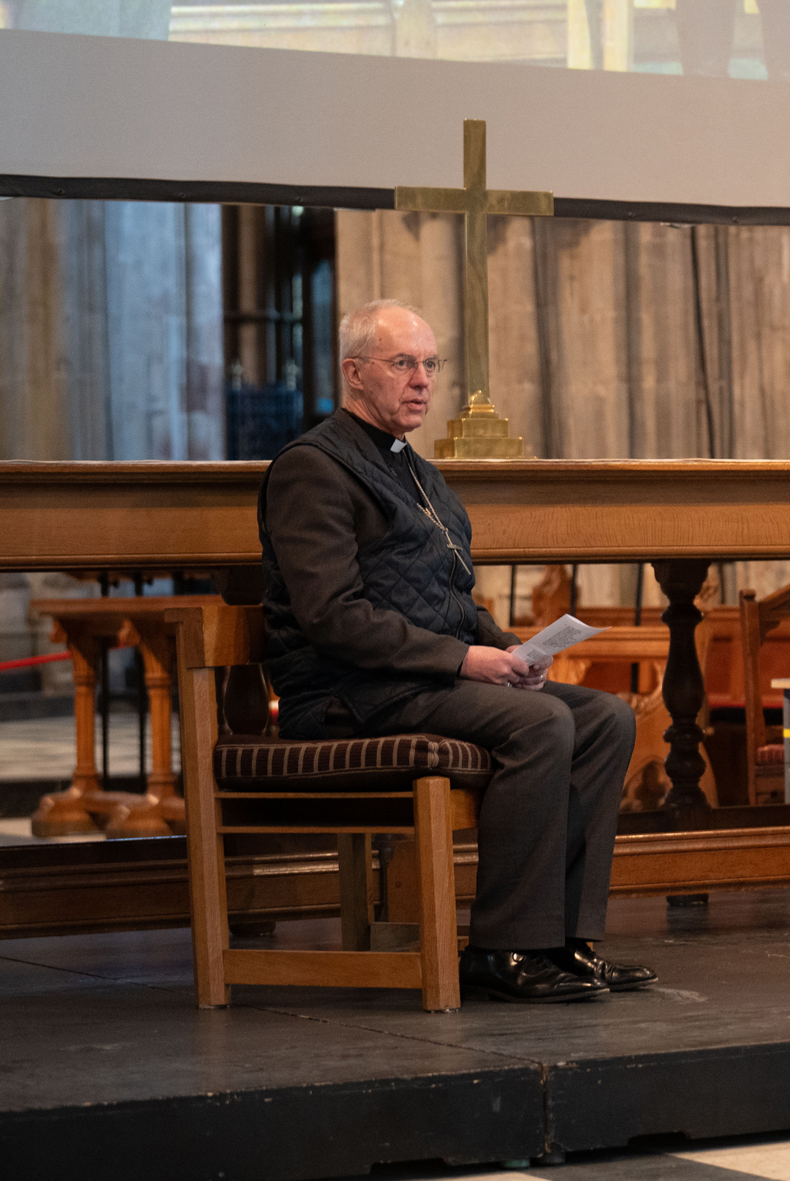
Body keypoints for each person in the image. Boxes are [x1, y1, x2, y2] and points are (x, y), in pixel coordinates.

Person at [257, 298, 655, 1003]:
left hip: (418, 681)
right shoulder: (312, 468)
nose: (422, 380)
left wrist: (510, 648)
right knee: (541, 724)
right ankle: (504, 947)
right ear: (354, 372)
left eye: (430, 363)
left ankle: (567, 940)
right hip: (347, 695)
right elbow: (333, 617)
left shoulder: (417, 470)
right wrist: (467, 661)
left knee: (604, 717)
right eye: (403, 363)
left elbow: (448, 598)